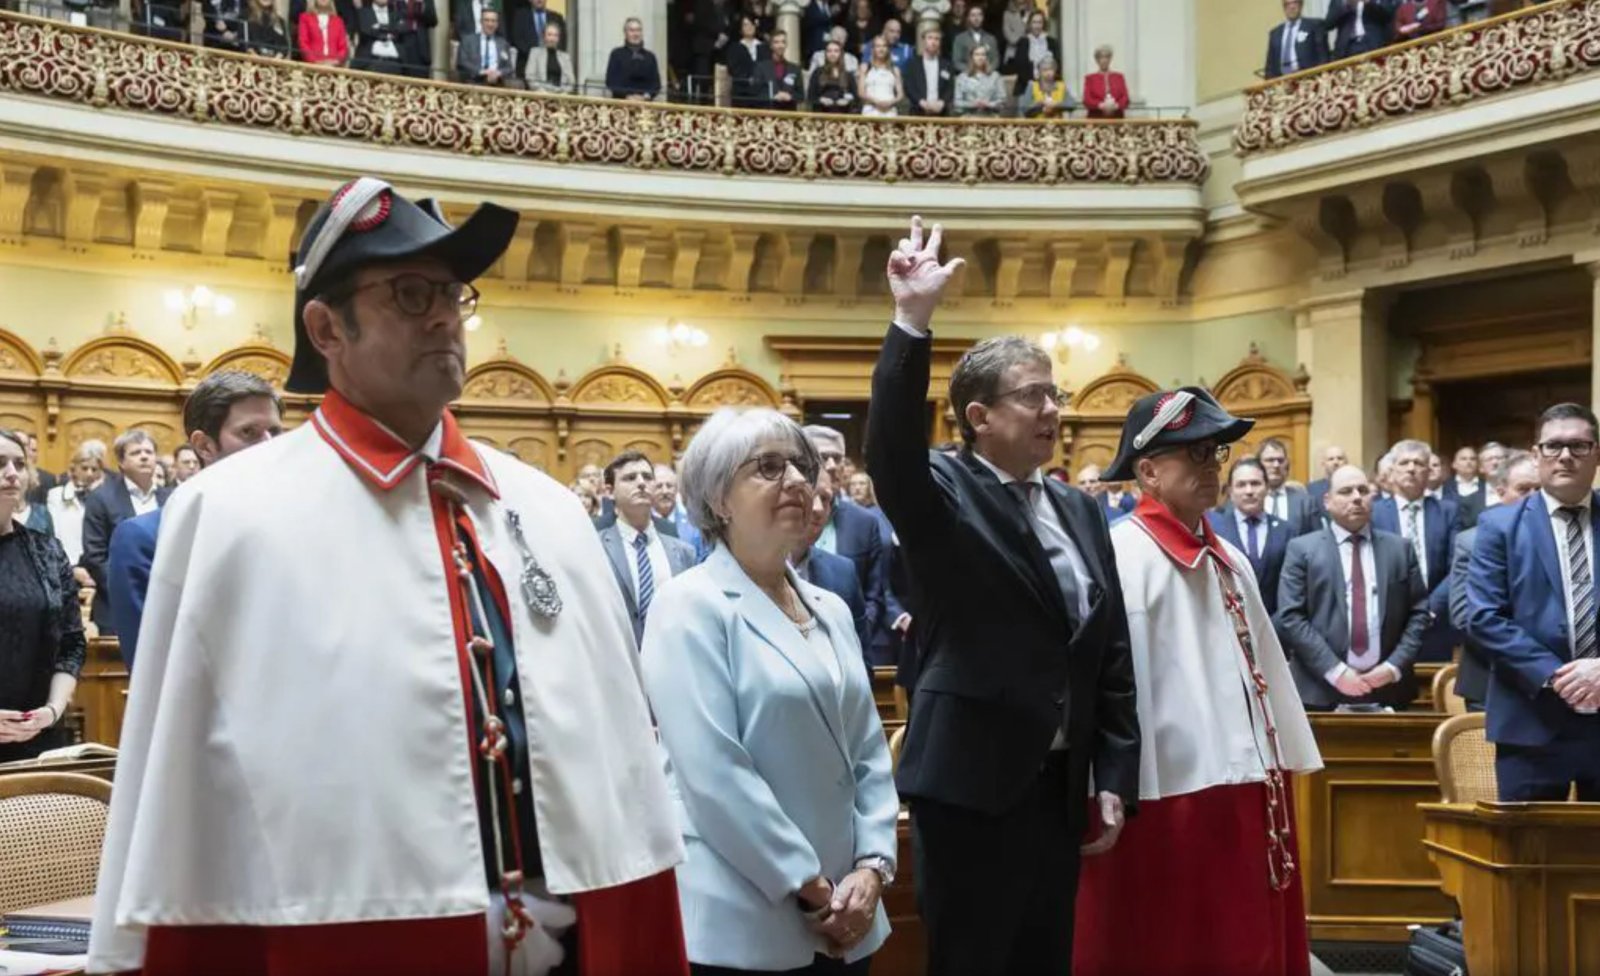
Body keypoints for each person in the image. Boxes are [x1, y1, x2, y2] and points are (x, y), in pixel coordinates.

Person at [88, 178, 688, 975]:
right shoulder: (230, 517)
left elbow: (620, 770)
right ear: (326, 326)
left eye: (452, 293)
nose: (444, 315)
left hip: (571, 938)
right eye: (410, 292)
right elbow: (176, 793)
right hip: (344, 935)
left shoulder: (549, 514)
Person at [869, 216, 1139, 975]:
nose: (1053, 410)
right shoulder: (943, 491)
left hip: (1058, 788)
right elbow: (889, 452)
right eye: (1031, 397)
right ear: (979, 418)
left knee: (1045, 961)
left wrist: (1114, 774)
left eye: (1054, 393)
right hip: (969, 788)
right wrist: (910, 323)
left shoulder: (1081, 508)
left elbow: (1106, 651)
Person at [641, 407, 898, 975]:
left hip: (849, 913)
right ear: (717, 500)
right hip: (746, 912)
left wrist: (872, 867)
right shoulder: (689, 605)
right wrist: (811, 887)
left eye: (802, 467)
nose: (799, 481)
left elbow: (868, 751)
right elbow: (714, 774)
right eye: (769, 467)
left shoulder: (829, 607)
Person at [1074, 387, 1320, 976]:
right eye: (1196, 455)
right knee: (1173, 941)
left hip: (1246, 783)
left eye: (1217, 454)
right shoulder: (1122, 556)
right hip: (1167, 795)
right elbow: (1105, 687)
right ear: (1149, 471)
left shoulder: (1229, 556)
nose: (1213, 467)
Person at [106, 371, 284, 670]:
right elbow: (153, 667)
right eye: (249, 432)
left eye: (275, 433)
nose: (269, 445)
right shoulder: (146, 537)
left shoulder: (292, 528)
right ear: (203, 446)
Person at [1467, 403, 1600, 801]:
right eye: (1554, 445)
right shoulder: (1498, 527)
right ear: (1536, 453)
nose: (1565, 456)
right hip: (1531, 722)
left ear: (1597, 453)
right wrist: (1561, 677)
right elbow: (1484, 618)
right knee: (1529, 859)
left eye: (1579, 445)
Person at [1276, 465, 1429, 711]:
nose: (1357, 497)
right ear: (1327, 501)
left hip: (1389, 688)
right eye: (1346, 491)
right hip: (1320, 690)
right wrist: (1335, 671)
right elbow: (1291, 617)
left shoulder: (1400, 549)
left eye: (1363, 490)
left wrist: (1393, 667)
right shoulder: (1301, 550)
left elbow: (1419, 613)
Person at [0, 429, 85, 763]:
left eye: (19, 464)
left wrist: (51, 710)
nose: (11, 473)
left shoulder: (47, 550)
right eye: (0, 463)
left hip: (37, 738)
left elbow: (72, 643)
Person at [1449, 450, 1539, 711]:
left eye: (1539, 489)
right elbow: (1463, 614)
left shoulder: (1564, 540)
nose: (1533, 496)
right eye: (1524, 489)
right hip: (1488, 676)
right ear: (1501, 492)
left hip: (1553, 678)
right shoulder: (1471, 541)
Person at [597, 450, 698, 646]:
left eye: (647, 477)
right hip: (617, 659)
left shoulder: (684, 552)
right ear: (610, 491)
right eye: (630, 478)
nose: (641, 482)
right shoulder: (596, 547)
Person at [1372, 438, 1458, 661]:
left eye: (1419, 463)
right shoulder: (1373, 513)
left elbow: (1458, 566)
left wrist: (1430, 609)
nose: (1411, 469)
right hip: (1386, 625)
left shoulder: (1448, 512)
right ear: (1391, 471)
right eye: (1404, 463)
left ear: (1429, 472)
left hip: (1436, 623)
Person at [80, 429, 172, 636]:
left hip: (167, 604)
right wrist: (130, 590)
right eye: (136, 452)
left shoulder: (172, 498)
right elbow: (95, 556)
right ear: (121, 462)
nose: (144, 456)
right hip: (117, 604)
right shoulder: (101, 498)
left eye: (149, 451)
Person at [793, 469, 869, 648]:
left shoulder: (843, 572)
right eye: (810, 494)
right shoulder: (747, 568)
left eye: (825, 499)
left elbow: (862, 662)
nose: (818, 508)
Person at [1207, 457, 1292, 615]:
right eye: (1241, 485)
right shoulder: (1214, 530)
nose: (1249, 491)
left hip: (1277, 627)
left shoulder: (1286, 530)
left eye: (1255, 483)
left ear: (1267, 488)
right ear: (1231, 491)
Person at [45, 439, 104, 565]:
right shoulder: (56, 495)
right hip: (66, 564)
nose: (89, 473)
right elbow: (54, 533)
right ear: (74, 468)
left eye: (94, 469)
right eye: (84, 468)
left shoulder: (105, 498)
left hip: (95, 566)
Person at [1258, 437, 1317, 535]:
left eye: (1280, 460)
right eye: (1270, 460)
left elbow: (1317, 541)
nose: (1276, 465)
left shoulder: (1306, 503)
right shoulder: (1250, 500)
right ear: (1259, 465)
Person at [1264, 0, 1328, 79]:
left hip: (1309, 79)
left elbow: (1323, 57)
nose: (1292, 7)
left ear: (1301, 5)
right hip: (1282, 82)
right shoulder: (1275, 33)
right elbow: (1270, 65)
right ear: (1284, 7)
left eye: (1295, 3)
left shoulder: (1314, 25)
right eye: (1287, 4)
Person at [653, 462, 706, 558]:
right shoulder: (643, 521)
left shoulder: (693, 522)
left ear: (677, 489)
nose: (665, 491)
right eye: (659, 486)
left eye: (669, 486)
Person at [607, 16, 663, 100]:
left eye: (638, 30)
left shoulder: (650, 57)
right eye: (632, 30)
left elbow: (656, 84)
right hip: (621, 105)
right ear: (625, 33)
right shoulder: (616, 54)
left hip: (646, 106)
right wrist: (627, 96)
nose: (636, 34)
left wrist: (645, 96)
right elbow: (611, 81)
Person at [1005, 8, 1057, 97]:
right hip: (1026, 85)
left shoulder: (1051, 42)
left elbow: (1056, 64)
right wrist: (1034, 79)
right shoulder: (1023, 42)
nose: (1037, 26)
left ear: (1044, 24)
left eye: (1040, 22)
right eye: (1034, 22)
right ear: (1029, 24)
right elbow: (1019, 66)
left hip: (1048, 85)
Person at [903, 27, 953, 116]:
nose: (933, 42)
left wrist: (942, 102)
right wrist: (921, 101)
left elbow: (950, 87)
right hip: (918, 111)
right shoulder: (913, 64)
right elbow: (909, 86)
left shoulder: (947, 65)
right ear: (923, 41)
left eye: (937, 39)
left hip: (941, 112)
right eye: (930, 38)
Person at [458, 8, 512, 85]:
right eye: (487, 20)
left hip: (497, 84)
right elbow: (462, 62)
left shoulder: (503, 44)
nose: (490, 24)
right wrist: (482, 72)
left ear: (497, 24)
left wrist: (498, 73)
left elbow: (509, 68)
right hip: (473, 82)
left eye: (493, 21)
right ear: (481, 22)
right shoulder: (468, 41)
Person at [753, 29, 804, 110]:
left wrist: (790, 96)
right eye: (776, 42)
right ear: (771, 45)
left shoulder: (795, 69)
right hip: (767, 115)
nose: (780, 45)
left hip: (788, 114)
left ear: (786, 45)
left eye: (783, 42)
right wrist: (773, 96)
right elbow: (756, 93)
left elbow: (801, 96)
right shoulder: (761, 67)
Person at [857, 34, 904, 116]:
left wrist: (890, 102)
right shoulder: (865, 67)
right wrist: (876, 102)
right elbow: (861, 92)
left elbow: (900, 95)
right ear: (873, 49)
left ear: (888, 49)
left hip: (890, 111)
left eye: (884, 46)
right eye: (878, 46)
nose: (881, 49)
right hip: (870, 110)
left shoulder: (895, 70)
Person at [1325, 0, 1391, 59]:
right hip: (1347, 47)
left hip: (1373, 43)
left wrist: (1369, 2)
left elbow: (1389, 14)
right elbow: (1329, 23)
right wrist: (1346, 4)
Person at [727, 14, 769, 106]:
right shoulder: (735, 47)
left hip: (761, 91)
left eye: (751, 24)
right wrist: (748, 79)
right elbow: (733, 68)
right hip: (742, 91)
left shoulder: (763, 47)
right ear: (741, 29)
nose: (749, 27)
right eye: (745, 25)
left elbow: (768, 66)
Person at [808, 38, 859, 112]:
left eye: (836, 51)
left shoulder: (848, 75)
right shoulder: (817, 72)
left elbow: (856, 99)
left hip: (843, 114)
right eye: (829, 51)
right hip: (821, 113)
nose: (832, 54)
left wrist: (847, 101)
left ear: (841, 54)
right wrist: (820, 100)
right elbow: (810, 97)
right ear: (825, 54)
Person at [953, 45, 1006, 116]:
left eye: (983, 55)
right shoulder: (962, 77)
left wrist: (988, 104)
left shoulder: (995, 76)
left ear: (986, 57)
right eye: (977, 55)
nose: (980, 58)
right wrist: (973, 104)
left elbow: (1002, 101)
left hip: (991, 117)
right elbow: (957, 102)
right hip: (968, 117)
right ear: (972, 57)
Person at [948, 3, 997, 78]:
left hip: (987, 77)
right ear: (968, 18)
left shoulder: (991, 38)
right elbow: (956, 61)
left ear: (983, 17)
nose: (976, 18)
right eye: (973, 15)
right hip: (967, 77)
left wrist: (988, 70)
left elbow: (995, 60)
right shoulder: (960, 38)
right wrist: (971, 71)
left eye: (979, 15)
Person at [510, 0, 564, 67]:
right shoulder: (520, 16)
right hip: (527, 63)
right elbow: (517, 40)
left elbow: (562, 42)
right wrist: (535, 56)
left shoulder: (557, 18)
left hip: (552, 65)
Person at [1081, 43, 1129, 118]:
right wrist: (1100, 105)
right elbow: (1087, 99)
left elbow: (1125, 98)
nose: (1104, 60)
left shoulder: (1119, 77)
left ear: (1110, 59)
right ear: (1097, 60)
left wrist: (1116, 105)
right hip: (1096, 117)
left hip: (1117, 117)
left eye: (1107, 57)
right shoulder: (1090, 78)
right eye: (1101, 57)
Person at [525, 20, 576, 91]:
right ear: (544, 36)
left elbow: (571, 81)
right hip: (540, 95)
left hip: (561, 96)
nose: (552, 39)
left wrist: (563, 93)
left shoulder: (565, 57)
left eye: (555, 35)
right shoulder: (535, 53)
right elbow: (530, 76)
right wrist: (542, 92)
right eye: (549, 35)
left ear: (558, 38)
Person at [297, 0, 350, 66]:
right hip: (312, 67)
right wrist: (315, 61)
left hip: (334, 68)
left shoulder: (338, 21)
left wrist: (335, 62)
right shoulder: (305, 18)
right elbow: (303, 42)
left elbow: (343, 47)